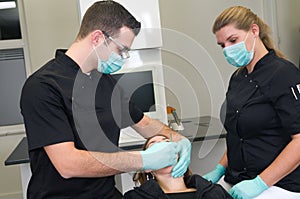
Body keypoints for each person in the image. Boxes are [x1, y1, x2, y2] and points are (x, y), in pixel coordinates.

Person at [20, 1, 191, 198]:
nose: (123, 57)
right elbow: (67, 164)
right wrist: (142, 160)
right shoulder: (43, 86)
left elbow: (144, 123)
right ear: (97, 38)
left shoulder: (105, 83)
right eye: (121, 50)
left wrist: (180, 139)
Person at [203, 6, 300, 199]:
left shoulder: (284, 73)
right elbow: (238, 136)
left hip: (278, 184)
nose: (228, 50)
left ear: (254, 31)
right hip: (239, 178)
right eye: (222, 45)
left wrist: (260, 183)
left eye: (233, 40)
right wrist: (219, 169)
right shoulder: (238, 78)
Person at [123, 134, 232, 199]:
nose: (165, 147)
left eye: (167, 142)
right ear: (148, 168)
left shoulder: (214, 192)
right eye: (155, 145)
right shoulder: (136, 197)